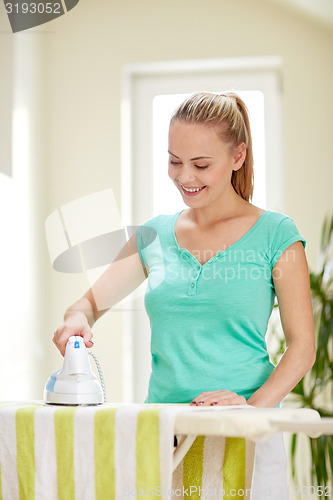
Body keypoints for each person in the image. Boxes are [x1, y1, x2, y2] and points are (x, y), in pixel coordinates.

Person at [53, 92, 316, 498]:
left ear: (238, 156)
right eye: (175, 161)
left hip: (246, 432)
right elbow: (88, 304)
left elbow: (302, 347)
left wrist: (250, 408)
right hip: (163, 430)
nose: (185, 177)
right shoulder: (153, 235)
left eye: (201, 164)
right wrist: (77, 318)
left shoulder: (277, 235)